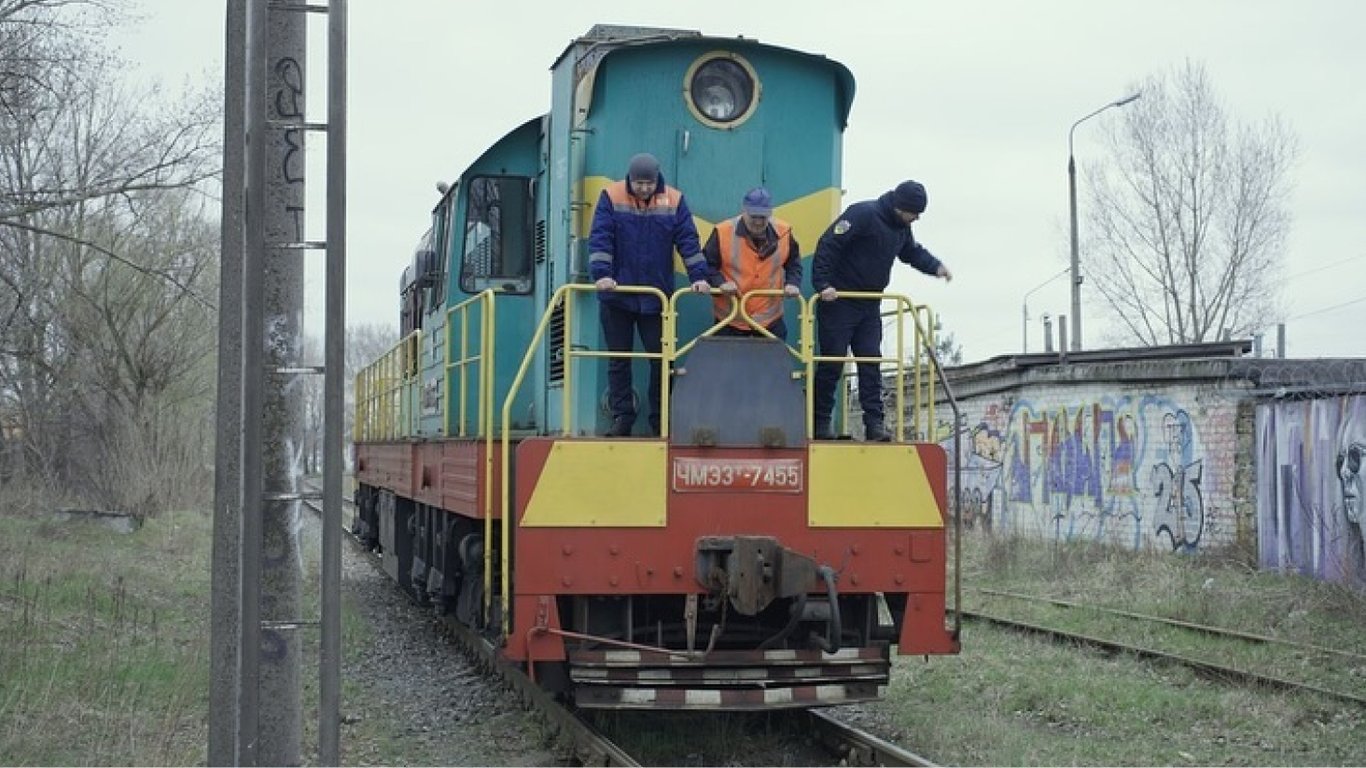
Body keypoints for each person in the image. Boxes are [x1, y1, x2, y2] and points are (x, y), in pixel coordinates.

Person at [810, 180, 952, 442]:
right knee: (833, 362)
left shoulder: (901, 228)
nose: (917, 218)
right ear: (901, 207)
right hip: (839, 300)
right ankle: (820, 423)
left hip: (869, 304)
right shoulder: (863, 214)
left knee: (871, 362)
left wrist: (936, 267)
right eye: (915, 213)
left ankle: (874, 425)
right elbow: (829, 244)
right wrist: (822, 285)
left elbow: (911, 253)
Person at [588, 152, 710, 437]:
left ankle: (661, 420)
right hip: (617, 296)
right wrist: (602, 275)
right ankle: (622, 417)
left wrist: (699, 278)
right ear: (630, 178)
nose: (644, 188)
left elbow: (688, 241)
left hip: (656, 299)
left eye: (648, 183)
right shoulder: (611, 196)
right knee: (619, 359)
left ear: (657, 180)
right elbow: (600, 237)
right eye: (639, 182)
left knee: (662, 358)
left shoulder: (675, 200)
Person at [702, 186, 802, 339]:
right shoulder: (723, 232)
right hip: (730, 321)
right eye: (753, 216)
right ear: (744, 211)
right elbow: (707, 265)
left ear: (770, 214)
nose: (758, 222)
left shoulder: (784, 232)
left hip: (770, 322)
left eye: (763, 217)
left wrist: (793, 282)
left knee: (773, 363)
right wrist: (720, 283)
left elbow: (793, 263)